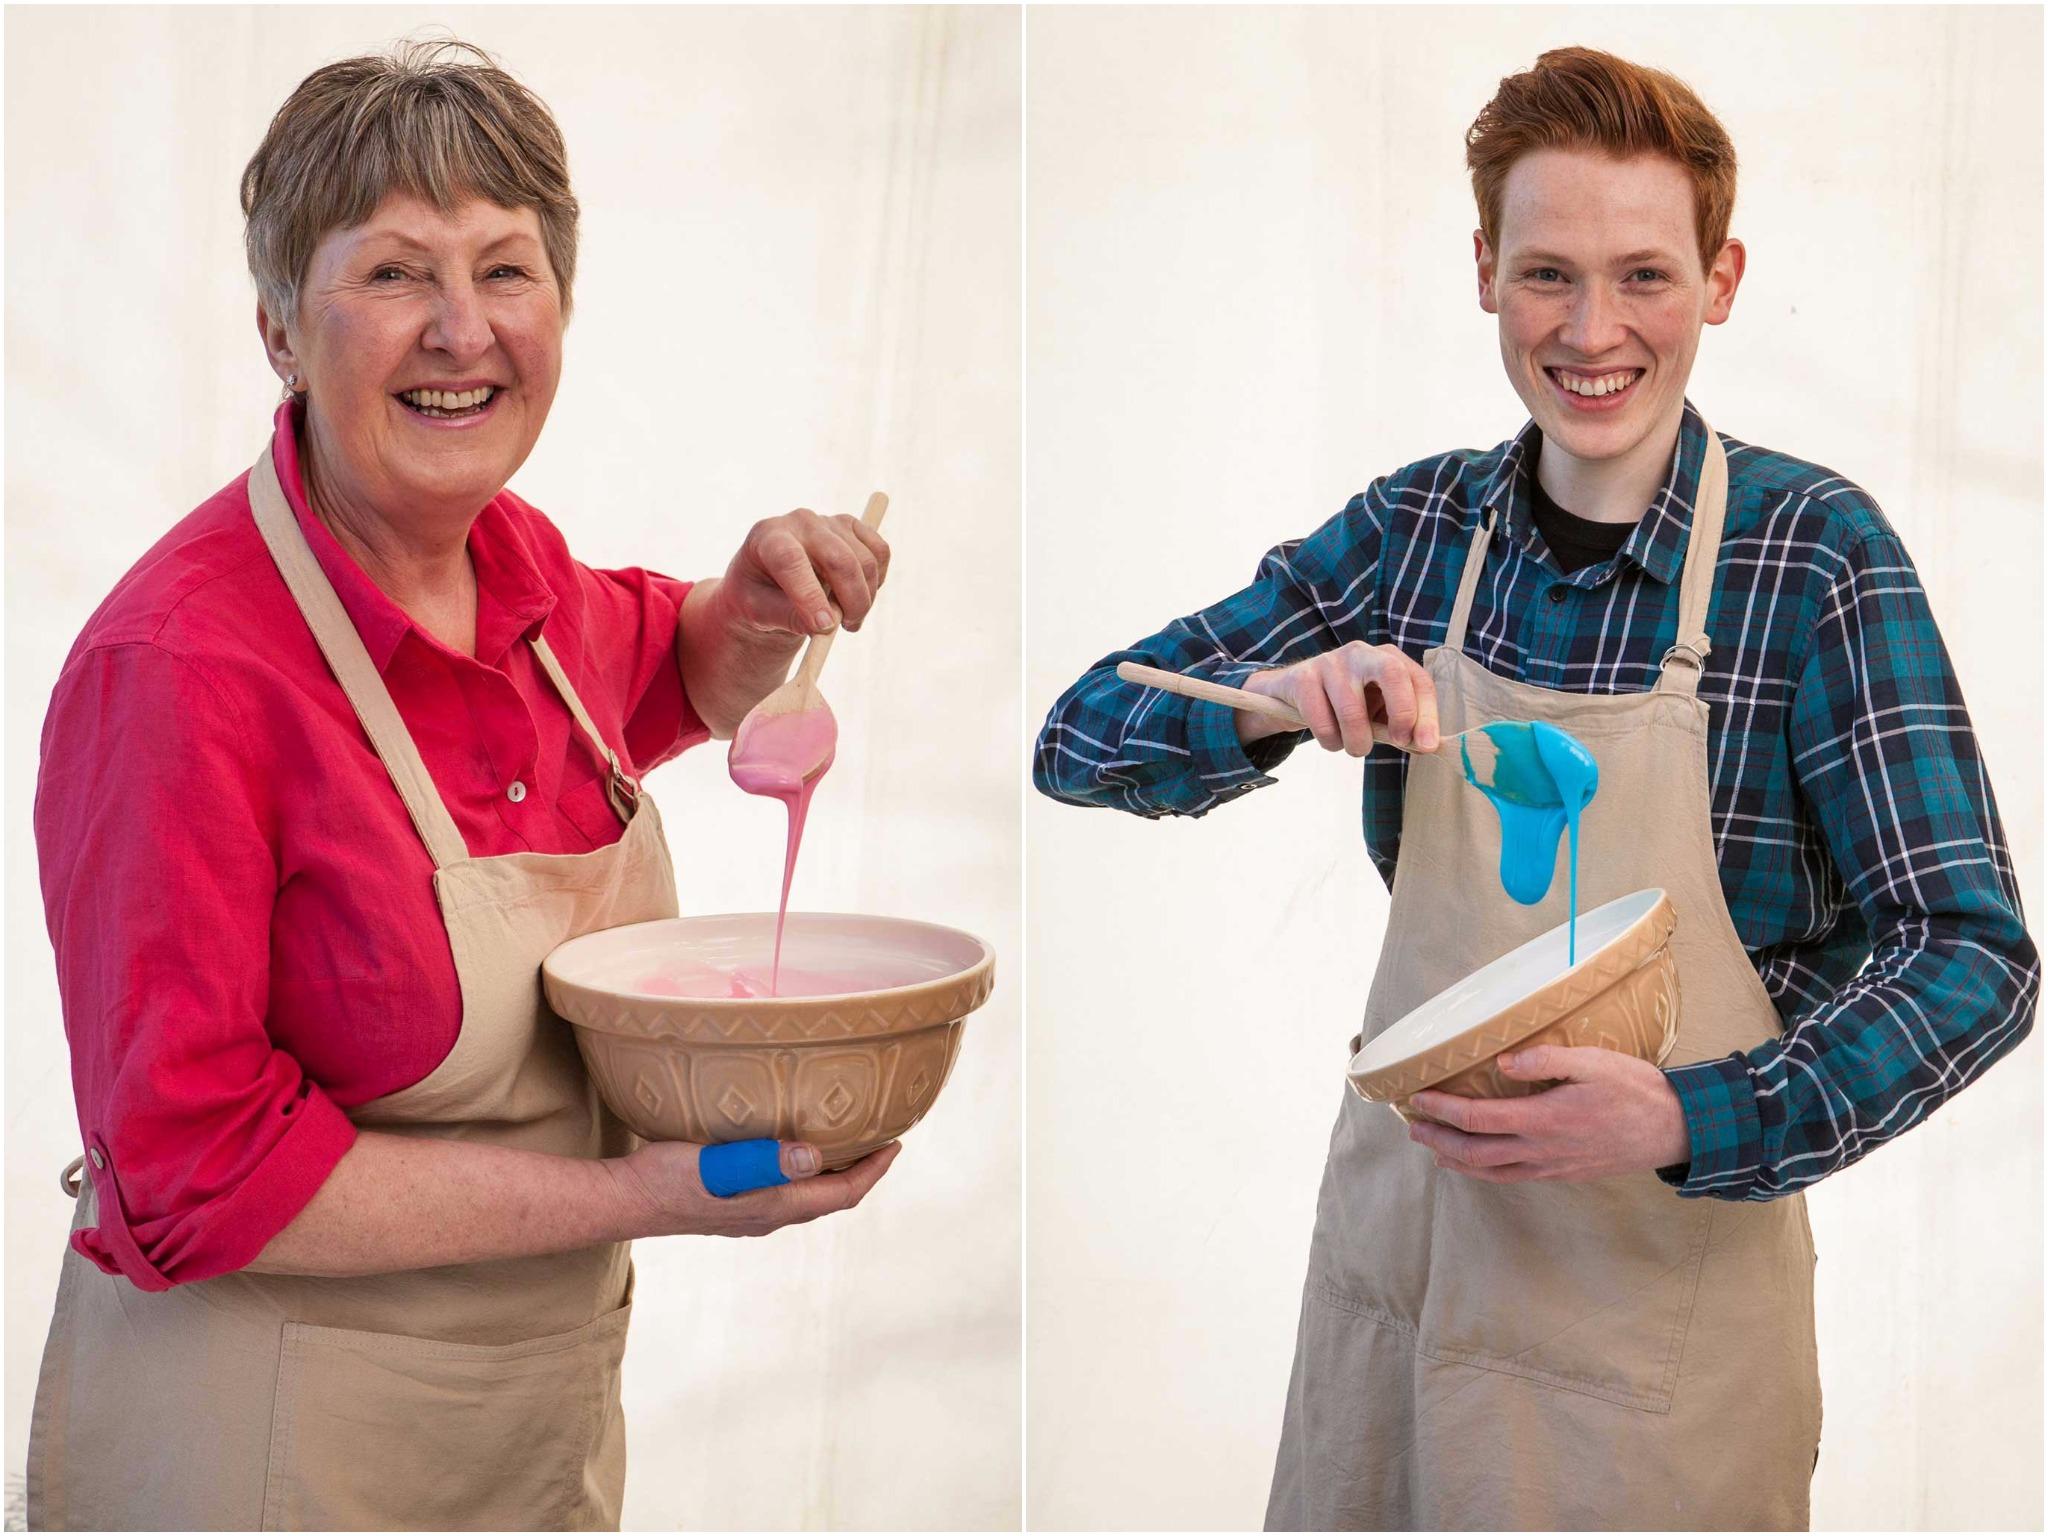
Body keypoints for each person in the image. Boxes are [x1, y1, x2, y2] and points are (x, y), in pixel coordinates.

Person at [1034, 46, 2037, 1530]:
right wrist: (1271, 708)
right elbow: (1078, 735)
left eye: (1643, 276)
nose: (1592, 330)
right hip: (1407, 1285)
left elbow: (1975, 955)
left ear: (1723, 278)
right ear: (1487, 270)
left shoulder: (1814, 556)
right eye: (1548, 273)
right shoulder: (1416, 532)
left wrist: (1700, 1117)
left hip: (1657, 1324)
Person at [28, 39, 899, 1531]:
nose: (460, 330)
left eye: (507, 271)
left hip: (526, 1437)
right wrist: (650, 1196)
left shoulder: (521, 570)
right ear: (280, 331)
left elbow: (654, 670)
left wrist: (745, 612)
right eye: (392, 275)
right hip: (269, 1454)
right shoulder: (178, 673)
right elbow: (188, 1169)